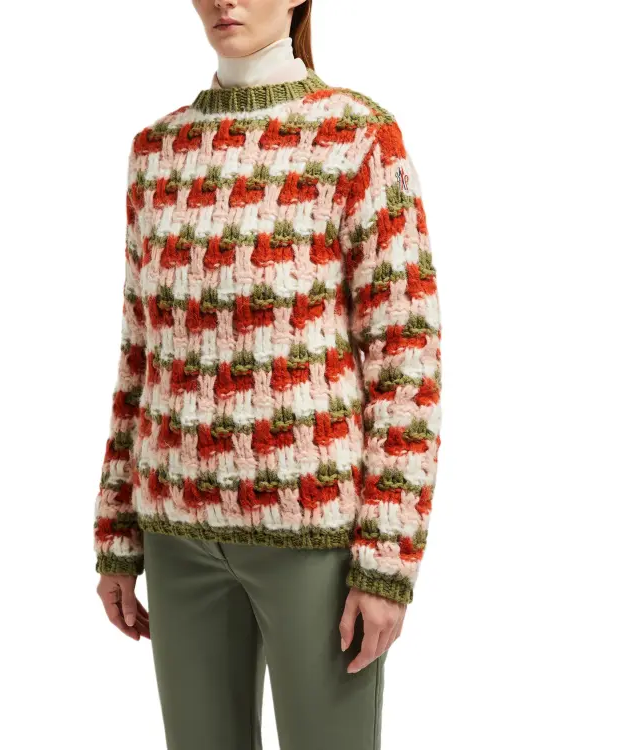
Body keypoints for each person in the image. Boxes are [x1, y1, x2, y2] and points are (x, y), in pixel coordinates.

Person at [94, 1, 443, 748]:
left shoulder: (356, 138)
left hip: (314, 541)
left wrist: (387, 562)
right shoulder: (157, 152)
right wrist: (117, 529)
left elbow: (405, 357)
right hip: (176, 534)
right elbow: (140, 352)